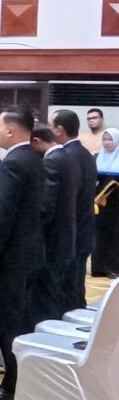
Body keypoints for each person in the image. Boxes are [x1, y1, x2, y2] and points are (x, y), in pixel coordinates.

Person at [0, 106, 45, 400]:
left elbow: (3, 214)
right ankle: (20, 377)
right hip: (26, 252)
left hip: (10, 257)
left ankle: (13, 384)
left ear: (11, 130)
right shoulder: (32, 157)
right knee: (19, 318)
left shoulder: (14, 163)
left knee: (9, 321)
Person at [28, 125, 80, 322]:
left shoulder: (52, 161)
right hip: (67, 233)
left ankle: (44, 329)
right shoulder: (68, 157)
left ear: (37, 141)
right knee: (57, 288)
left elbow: (46, 205)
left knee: (46, 292)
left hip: (53, 238)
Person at [52, 110, 99, 307]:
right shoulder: (85, 154)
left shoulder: (67, 157)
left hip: (73, 231)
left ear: (59, 129)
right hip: (83, 228)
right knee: (75, 286)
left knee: (68, 289)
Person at [93, 128, 119, 279]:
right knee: (99, 234)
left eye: (110, 139)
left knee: (114, 235)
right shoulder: (97, 157)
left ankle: (113, 268)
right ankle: (99, 267)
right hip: (99, 204)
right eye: (105, 139)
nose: (107, 142)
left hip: (116, 204)